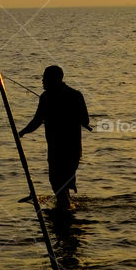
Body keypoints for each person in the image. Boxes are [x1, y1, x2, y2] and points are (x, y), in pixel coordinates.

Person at [18, 65, 91, 211]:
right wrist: (23, 132)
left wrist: (67, 114)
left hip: (69, 149)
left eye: (45, 78)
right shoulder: (47, 97)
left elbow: (85, 120)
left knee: (57, 182)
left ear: (55, 79)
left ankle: (64, 212)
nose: (42, 81)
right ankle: (67, 210)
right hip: (57, 149)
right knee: (60, 183)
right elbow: (37, 121)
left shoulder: (74, 95)